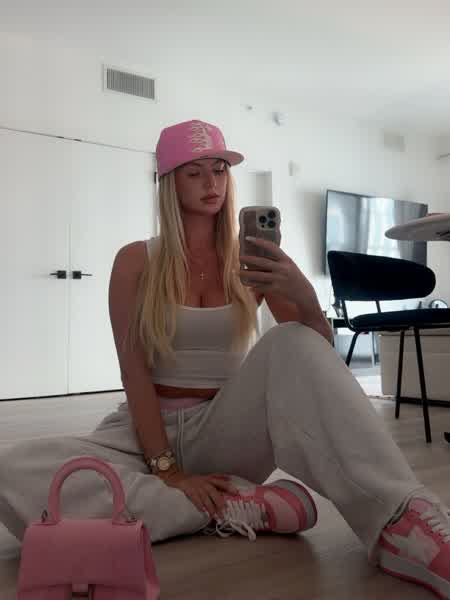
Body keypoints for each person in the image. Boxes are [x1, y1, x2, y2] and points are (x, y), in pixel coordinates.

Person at [1, 119, 450, 599]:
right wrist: (167, 470)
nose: (211, 183)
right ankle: (236, 504)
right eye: (195, 173)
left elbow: (313, 357)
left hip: (225, 428)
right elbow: (133, 371)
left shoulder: (251, 260)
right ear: (169, 182)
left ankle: (404, 520)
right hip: (143, 431)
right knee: (13, 469)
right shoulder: (135, 260)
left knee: (290, 339)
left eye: (219, 170)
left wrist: (302, 293)